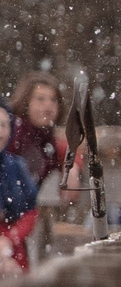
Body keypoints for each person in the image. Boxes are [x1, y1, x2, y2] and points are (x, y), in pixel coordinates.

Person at [0, 74, 81, 274]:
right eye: (40, 99)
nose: (48, 106)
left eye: (53, 100)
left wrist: (73, 166)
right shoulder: (14, 136)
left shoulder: (45, 140)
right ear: (25, 101)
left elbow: (65, 148)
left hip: (16, 233)